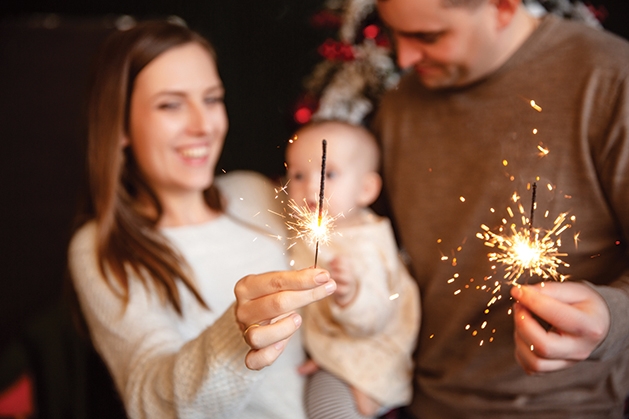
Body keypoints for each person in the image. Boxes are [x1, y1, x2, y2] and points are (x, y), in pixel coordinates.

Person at [371, 0, 629, 417]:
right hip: (421, 403)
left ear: (503, 7)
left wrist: (612, 317)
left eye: (428, 36)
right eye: (393, 32)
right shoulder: (400, 106)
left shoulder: (611, 78)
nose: (403, 58)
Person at [67, 21, 337, 419]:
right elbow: (149, 401)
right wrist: (236, 335)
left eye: (211, 99)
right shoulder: (103, 245)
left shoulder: (256, 192)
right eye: (171, 104)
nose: (203, 125)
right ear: (120, 124)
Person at [285, 120, 420, 418]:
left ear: (366, 189)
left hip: (367, 358)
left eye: (329, 174)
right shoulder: (315, 230)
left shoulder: (364, 244)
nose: (310, 187)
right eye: (297, 174)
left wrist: (352, 294)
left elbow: (374, 316)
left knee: (325, 411)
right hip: (334, 351)